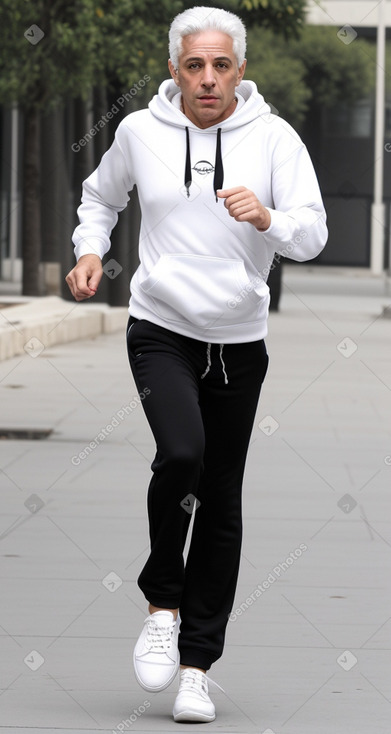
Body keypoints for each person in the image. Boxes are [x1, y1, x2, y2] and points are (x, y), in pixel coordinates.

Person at [66, 5, 327, 723]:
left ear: (239, 70)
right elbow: (99, 196)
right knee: (180, 455)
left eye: (220, 65)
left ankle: (195, 668)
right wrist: (90, 252)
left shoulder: (274, 140)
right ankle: (160, 601)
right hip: (160, 327)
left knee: (219, 497)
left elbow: (311, 231)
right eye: (193, 65)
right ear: (174, 69)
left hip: (239, 343)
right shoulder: (139, 132)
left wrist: (267, 218)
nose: (207, 79)